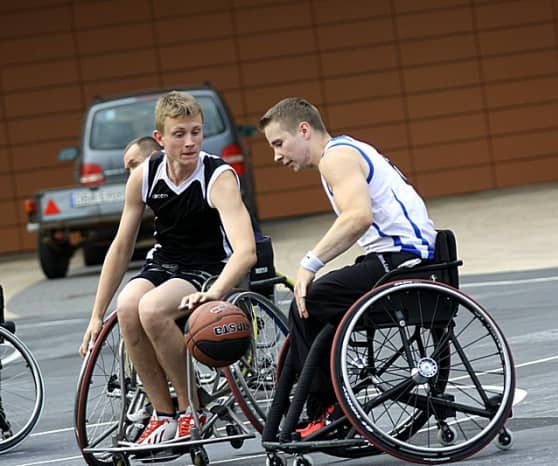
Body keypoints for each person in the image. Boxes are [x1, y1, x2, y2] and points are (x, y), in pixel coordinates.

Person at [79, 90, 257, 445]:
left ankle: (192, 409)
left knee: (152, 308)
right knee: (128, 306)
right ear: (159, 138)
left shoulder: (217, 177)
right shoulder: (145, 175)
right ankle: (163, 413)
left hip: (208, 268)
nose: (190, 142)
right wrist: (96, 315)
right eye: (179, 134)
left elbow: (246, 251)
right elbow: (121, 246)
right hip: (165, 263)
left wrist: (216, 291)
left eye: (196, 132)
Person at [259, 97, 437, 437]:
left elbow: (358, 217)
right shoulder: (345, 152)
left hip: (402, 260)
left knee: (309, 302)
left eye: (279, 143)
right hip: (403, 257)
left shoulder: (336, 157)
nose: (277, 156)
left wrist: (309, 264)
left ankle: (325, 408)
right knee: (316, 301)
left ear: (304, 130)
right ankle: (320, 402)